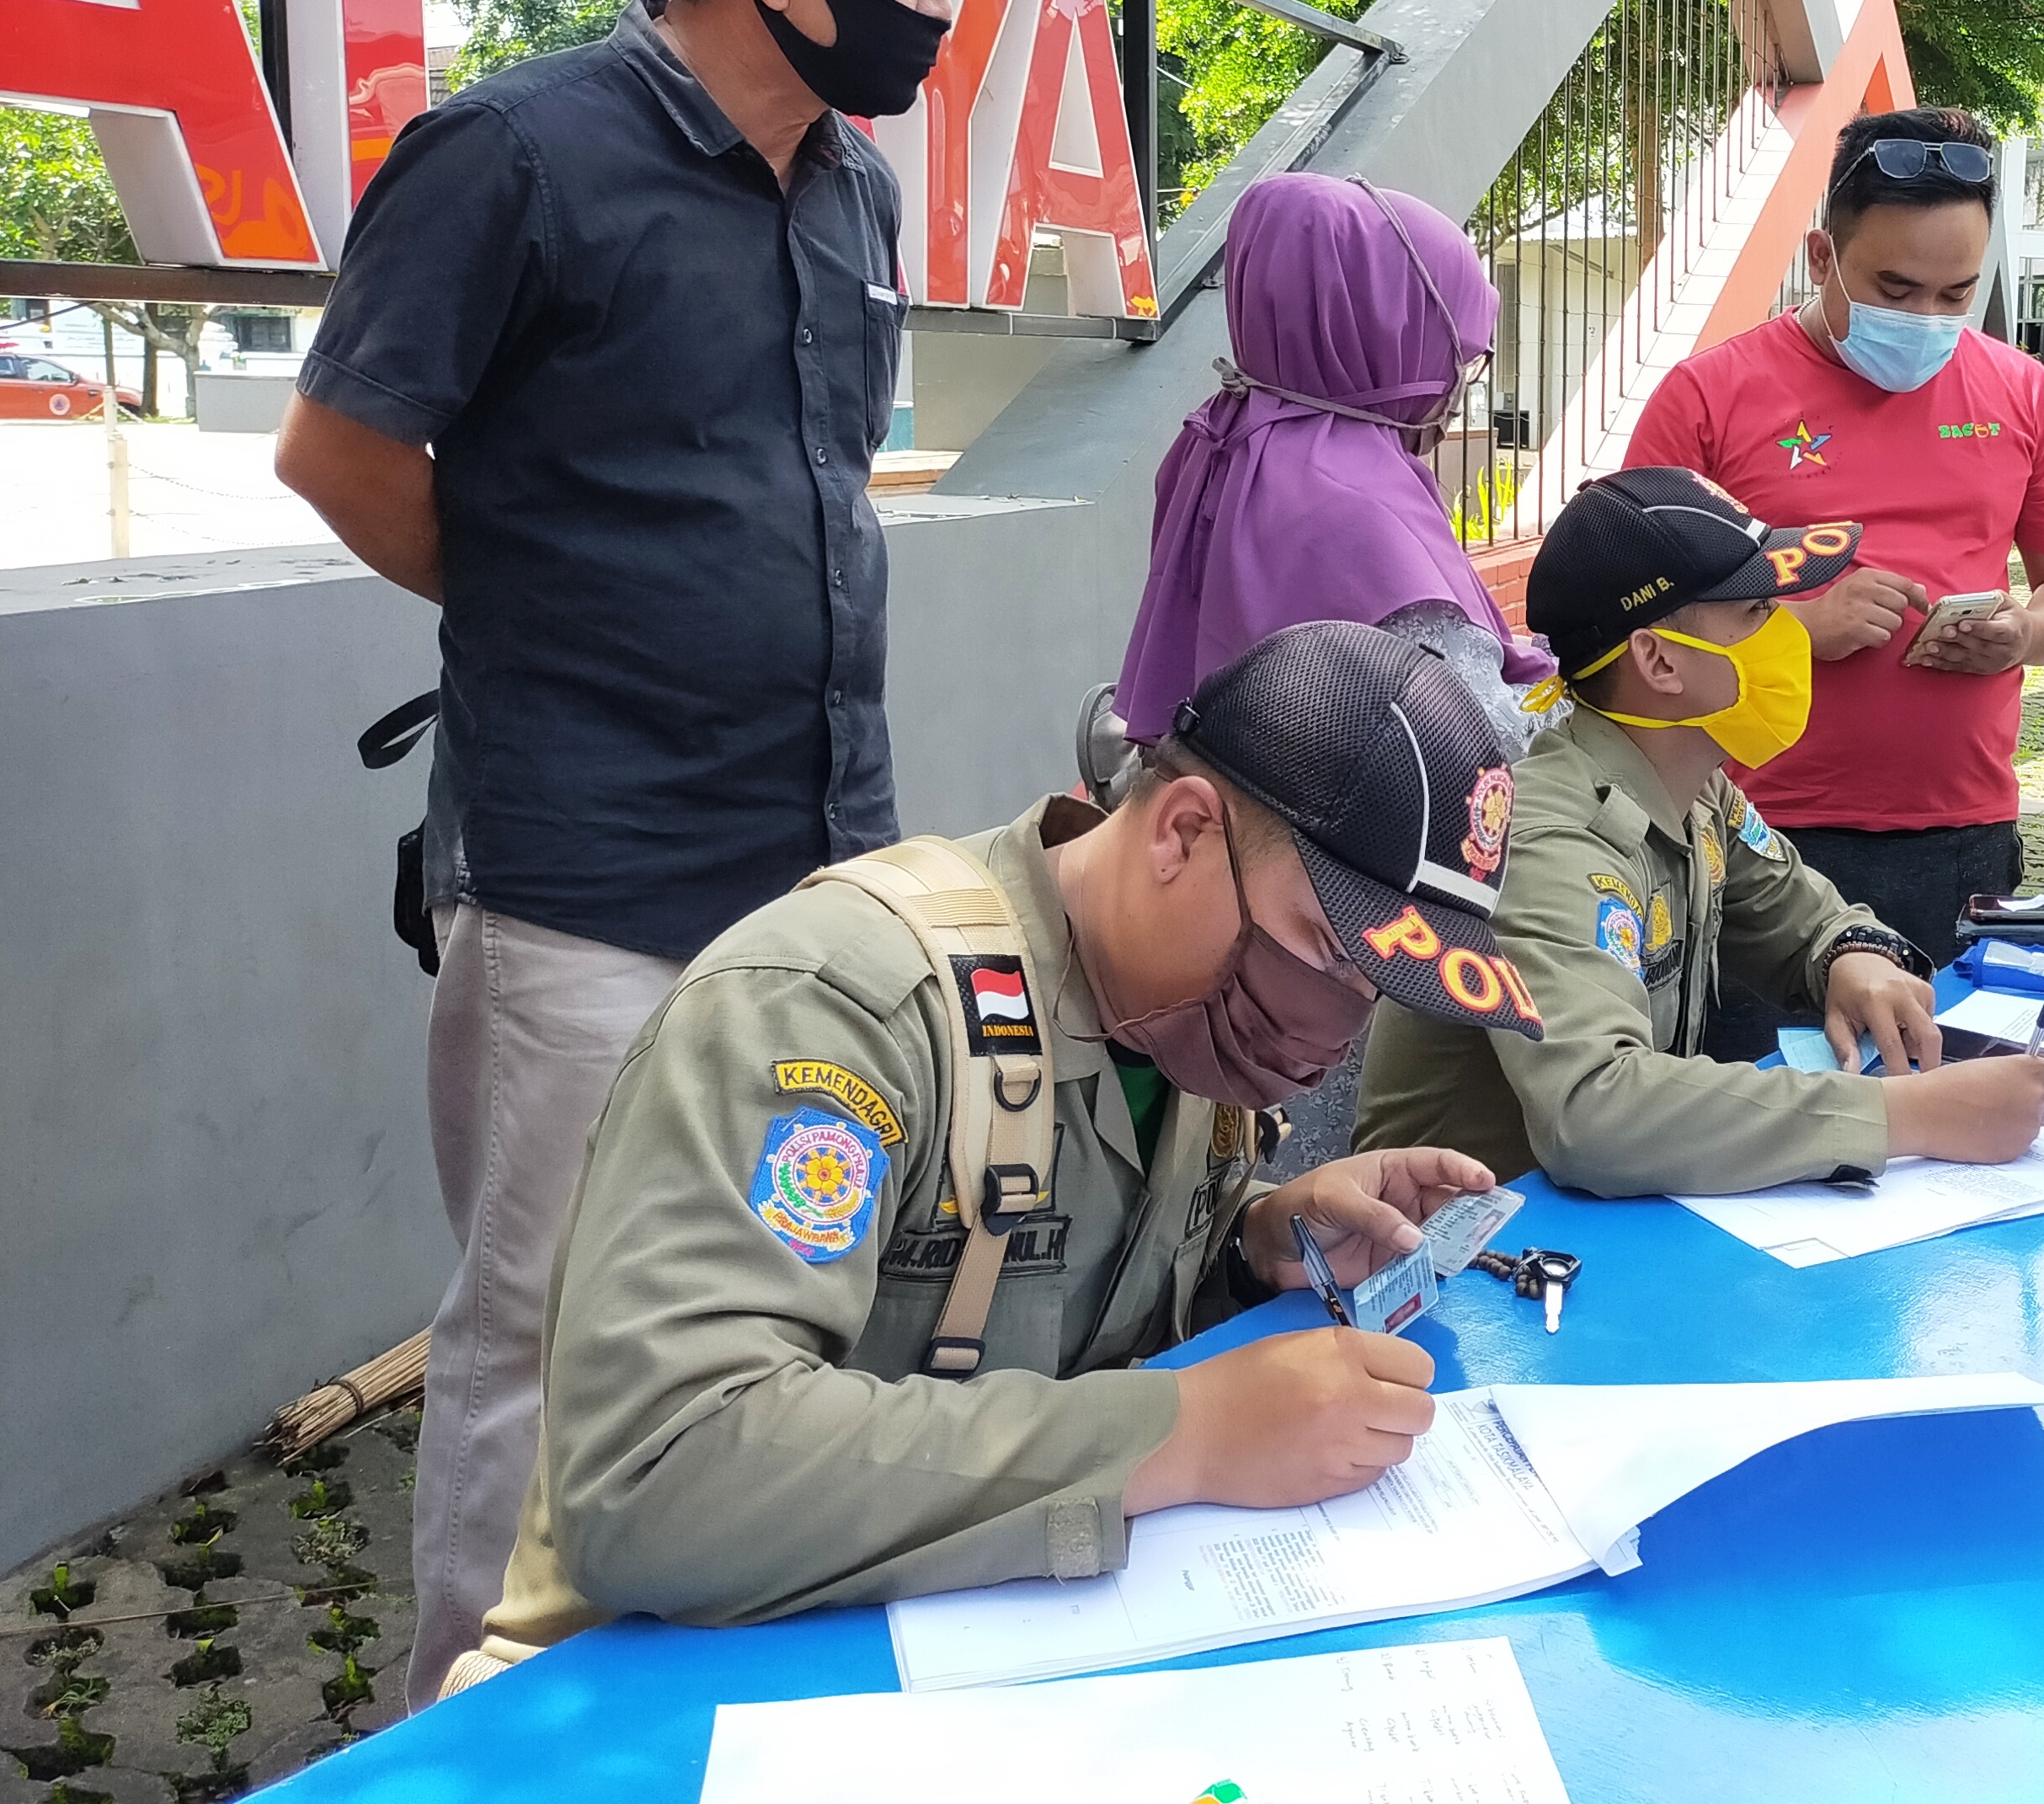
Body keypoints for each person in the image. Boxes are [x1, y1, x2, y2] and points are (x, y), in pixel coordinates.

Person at [271, 0, 956, 1705]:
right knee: (545, 1331)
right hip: (583, 868)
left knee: (769, 1303)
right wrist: (553, 618)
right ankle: (483, 1732)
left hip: (812, 864)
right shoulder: (519, 154)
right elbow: (340, 444)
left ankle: (699, 1692)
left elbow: (803, 485)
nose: (935, 0)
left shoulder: (849, 191)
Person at [442, 622, 1534, 1691]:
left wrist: (1254, 1242)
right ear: (1182, 833)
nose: (1335, 1027)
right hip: (668, 1695)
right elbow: (656, 1478)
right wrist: (1188, 1431)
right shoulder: (837, 1008)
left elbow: (1049, 1291)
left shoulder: (1173, 1022)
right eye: (1327, 953)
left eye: (1374, 990)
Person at [1353, 467, 2044, 1193]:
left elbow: (1801, 915)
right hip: (1459, 1257)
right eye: (1758, 611)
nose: (1789, 633)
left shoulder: (1696, 790)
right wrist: (1910, 1116)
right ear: (1659, 660)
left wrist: (1852, 957)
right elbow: (1596, 1112)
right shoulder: (1547, 840)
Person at [1621, 108, 2044, 1029]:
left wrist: (2023, 633)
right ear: (1820, 256)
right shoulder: (1710, 397)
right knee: (1760, 1127)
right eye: (1895, 287)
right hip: (1753, 840)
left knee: (1943, 1119)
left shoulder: (2019, 390)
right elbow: (1620, 628)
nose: (1926, 318)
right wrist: (1793, 629)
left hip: (1960, 837)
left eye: (1954, 293)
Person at [1108, 170, 1556, 763]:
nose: (1455, 384)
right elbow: (1482, 736)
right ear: (1386, 334)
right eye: (1454, 355)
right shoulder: (1359, 503)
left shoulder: (1226, 437)